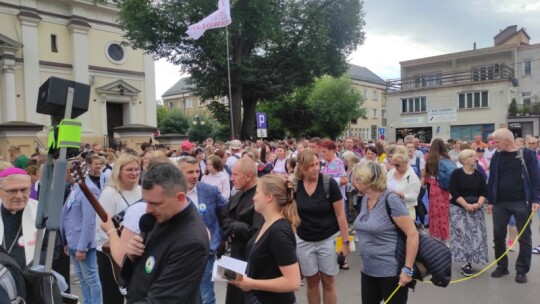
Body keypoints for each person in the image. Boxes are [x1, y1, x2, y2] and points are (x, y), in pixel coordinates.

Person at [122, 162, 209, 303]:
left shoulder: (191, 242)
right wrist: (131, 257)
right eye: (146, 201)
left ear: (179, 198)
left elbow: (162, 300)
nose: (148, 209)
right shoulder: (161, 215)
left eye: (155, 203)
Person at [352, 161, 419, 304]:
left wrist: (407, 270)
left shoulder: (391, 199)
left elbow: (412, 235)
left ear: (369, 180)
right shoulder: (365, 199)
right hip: (368, 269)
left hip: (391, 271)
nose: (354, 181)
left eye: (357, 178)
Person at [229, 174, 301, 304]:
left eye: (257, 193)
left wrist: (253, 283)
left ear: (269, 197)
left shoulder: (279, 232)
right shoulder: (268, 222)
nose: (254, 198)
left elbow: (293, 282)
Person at [294, 150, 350, 304]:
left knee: (328, 282)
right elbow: (290, 216)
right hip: (304, 240)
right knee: (311, 282)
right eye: (311, 165)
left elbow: (341, 215)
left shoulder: (328, 183)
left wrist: (345, 243)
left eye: (317, 164)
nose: (315, 168)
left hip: (328, 239)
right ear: (302, 167)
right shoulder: (295, 186)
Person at [487, 128, 540, 284]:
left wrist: (536, 199)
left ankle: (522, 270)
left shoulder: (527, 154)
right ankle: (502, 267)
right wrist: (491, 200)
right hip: (500, 203)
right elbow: (492, 179)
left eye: (497, 142)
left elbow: (536, 178)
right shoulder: (497, 155)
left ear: (507, 141)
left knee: (524, 238)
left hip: (522, 202)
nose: (494, 145)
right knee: (498, 237)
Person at [177, 156, 228, 304]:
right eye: (189, 172)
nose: (194, 176)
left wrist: (220, 237)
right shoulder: (169, 193)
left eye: (197, 171)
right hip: (179, 254)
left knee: (206, 296)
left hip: (205, 254)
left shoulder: (209, 190)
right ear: (179, 173)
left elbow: (228, 212)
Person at [97, 154, 142, 304]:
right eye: (129, 169)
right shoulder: (109, 194)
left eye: (137, 169)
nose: (134, 173)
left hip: (137, 251)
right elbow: (101, 226)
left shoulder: (142, 191)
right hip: (112, 255)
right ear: (119, 172)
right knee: (113, 297)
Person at [221, 158, 264, 304]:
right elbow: (224, 220)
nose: (231, 178)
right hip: (234, 255)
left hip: (252, 258)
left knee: (249, 296)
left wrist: (234, 227)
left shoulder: (261, 196)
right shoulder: (238, 193)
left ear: (248, 176)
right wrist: (237, 226)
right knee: (233, 296)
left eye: (235, 174)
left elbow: (255, 233)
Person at [60, 164, 103, 304]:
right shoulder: (75, 188)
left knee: (91, 278)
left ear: (69, 171)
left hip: (82, 243)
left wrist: (82, 246)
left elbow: (89, 221)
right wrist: (65, 241)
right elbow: (67, 214)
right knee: (82, 277)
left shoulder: (88, 189)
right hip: (72, 241)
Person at [448, 149, 488, 277]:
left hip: (476, 208)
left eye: (475, 156)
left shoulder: (479, 174)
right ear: (463, 160)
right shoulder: (456, 174)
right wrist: (465, 205)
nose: (474, 158)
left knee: (476, 235)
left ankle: (474, 258)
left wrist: (478, 204)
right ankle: (465, 263)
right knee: (462, 235)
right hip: (459, 208)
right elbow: (454, 191)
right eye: (471, 156)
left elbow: (484, 191)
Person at [425, 138, 451, 244]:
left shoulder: (429, 158)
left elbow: (426, 174)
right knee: (444, 213)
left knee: (434, 213)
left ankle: (434, 236)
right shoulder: (446, 158)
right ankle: (444, 238)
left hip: (433, 187)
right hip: (444, 188)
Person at [386, 146, 421, 220]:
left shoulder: (412, 177)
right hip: (390, 211)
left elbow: (414, 197)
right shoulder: (391, 173)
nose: (395, 167)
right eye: (394, 164)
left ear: (406, 162)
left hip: (406, 213)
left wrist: (401, 195)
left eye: (398, 165)